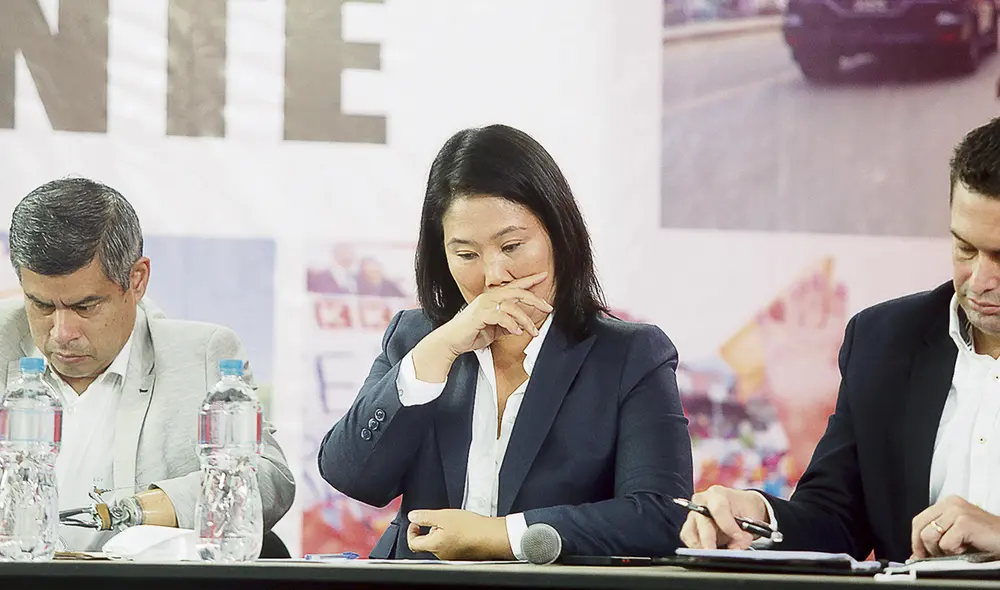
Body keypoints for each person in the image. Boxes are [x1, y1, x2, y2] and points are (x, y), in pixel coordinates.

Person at [318, 124, 694, 560]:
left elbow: (661, 515)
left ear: (558, 234)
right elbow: (350, 475)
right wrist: (439, 351)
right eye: (466, 254)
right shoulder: (416, 340)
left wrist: (501, 536)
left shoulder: (629, 355)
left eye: (512, 246)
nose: (494, 275)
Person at [680, 116, 1000, 562]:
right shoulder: (885, 341)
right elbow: (835, 518)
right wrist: (759, 516)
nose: (981, 279)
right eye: (965, 249)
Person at [0, 178, 295, 551]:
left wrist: (139, 511)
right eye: (41, 305)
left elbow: (269, 479)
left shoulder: (200, 355)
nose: (62, 332)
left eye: (85, 306)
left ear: (136, 279)